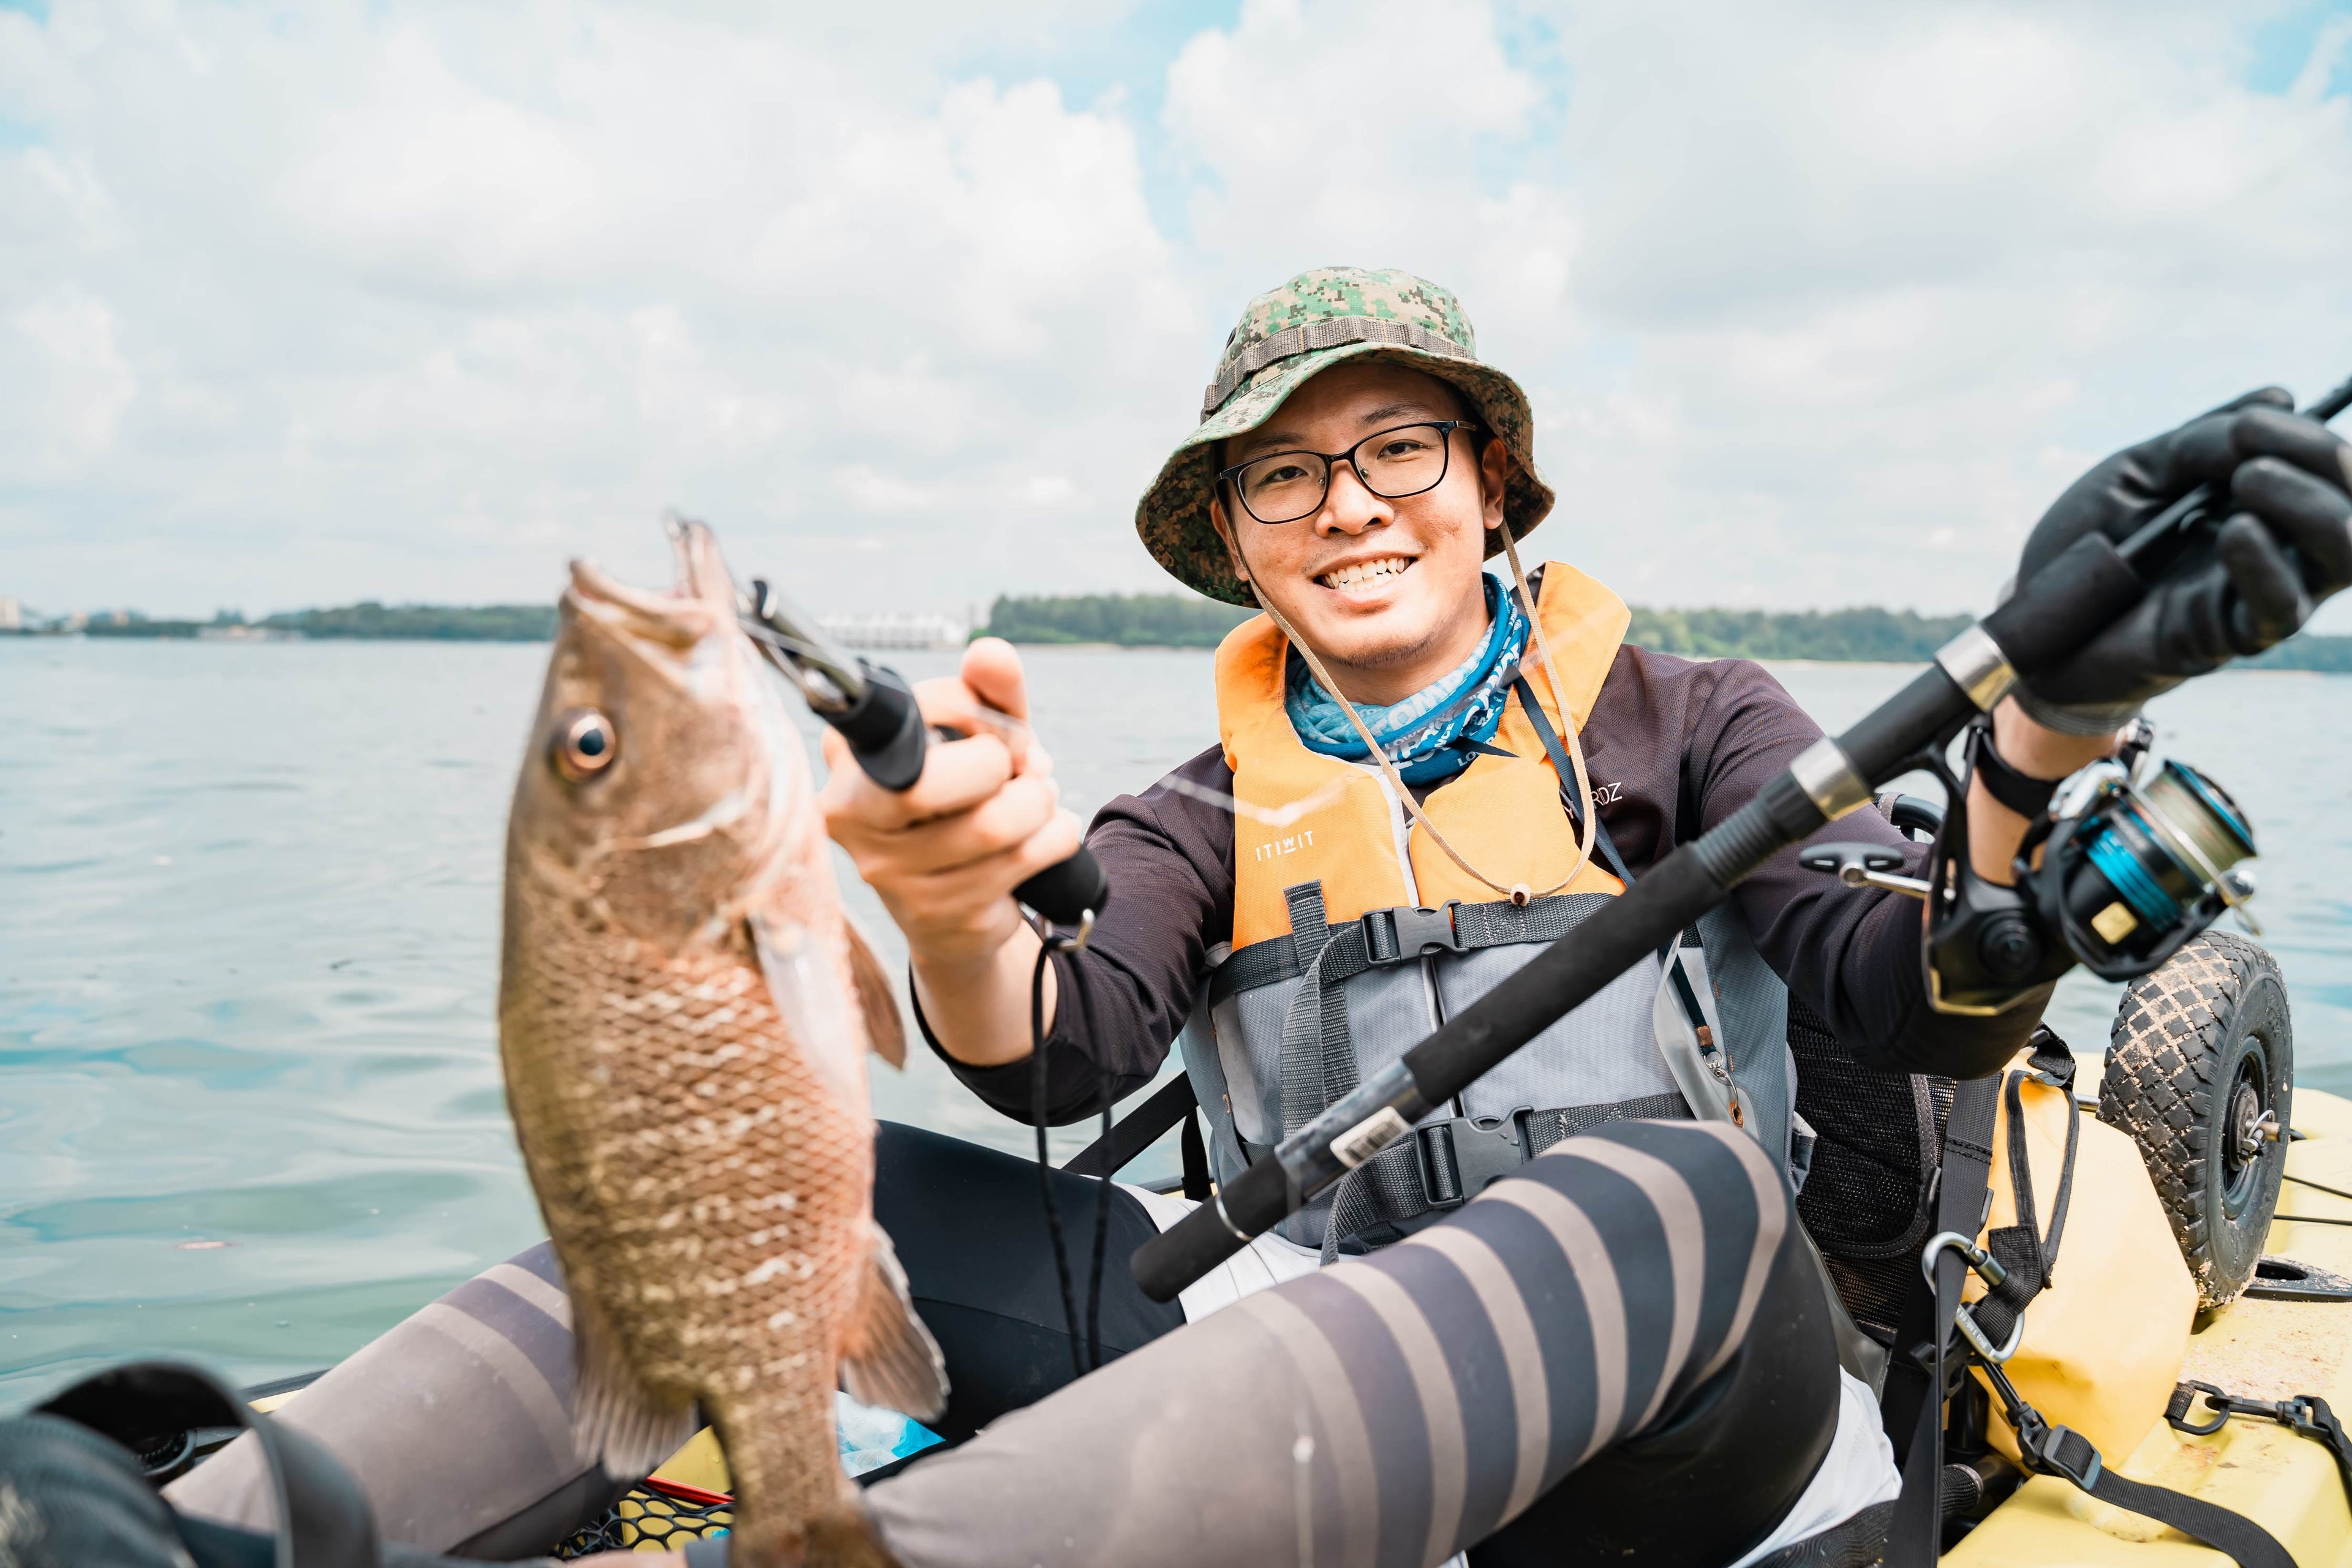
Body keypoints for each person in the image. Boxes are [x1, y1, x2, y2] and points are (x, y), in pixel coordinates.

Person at [156, 266, 2352, 1566]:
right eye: (1283, 476)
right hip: (1308, 1374)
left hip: (1683, 1422)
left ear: (1494, 488)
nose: (1347, 504)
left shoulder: (1701, 718)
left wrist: (2048, 732)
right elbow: (1060, 1039)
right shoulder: (1197, 800)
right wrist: (943, 904)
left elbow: (1921, 984)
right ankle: (178, 1532)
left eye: (1398, 448)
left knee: (1671, 1188)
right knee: (660, 1216)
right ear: (1237, 543)